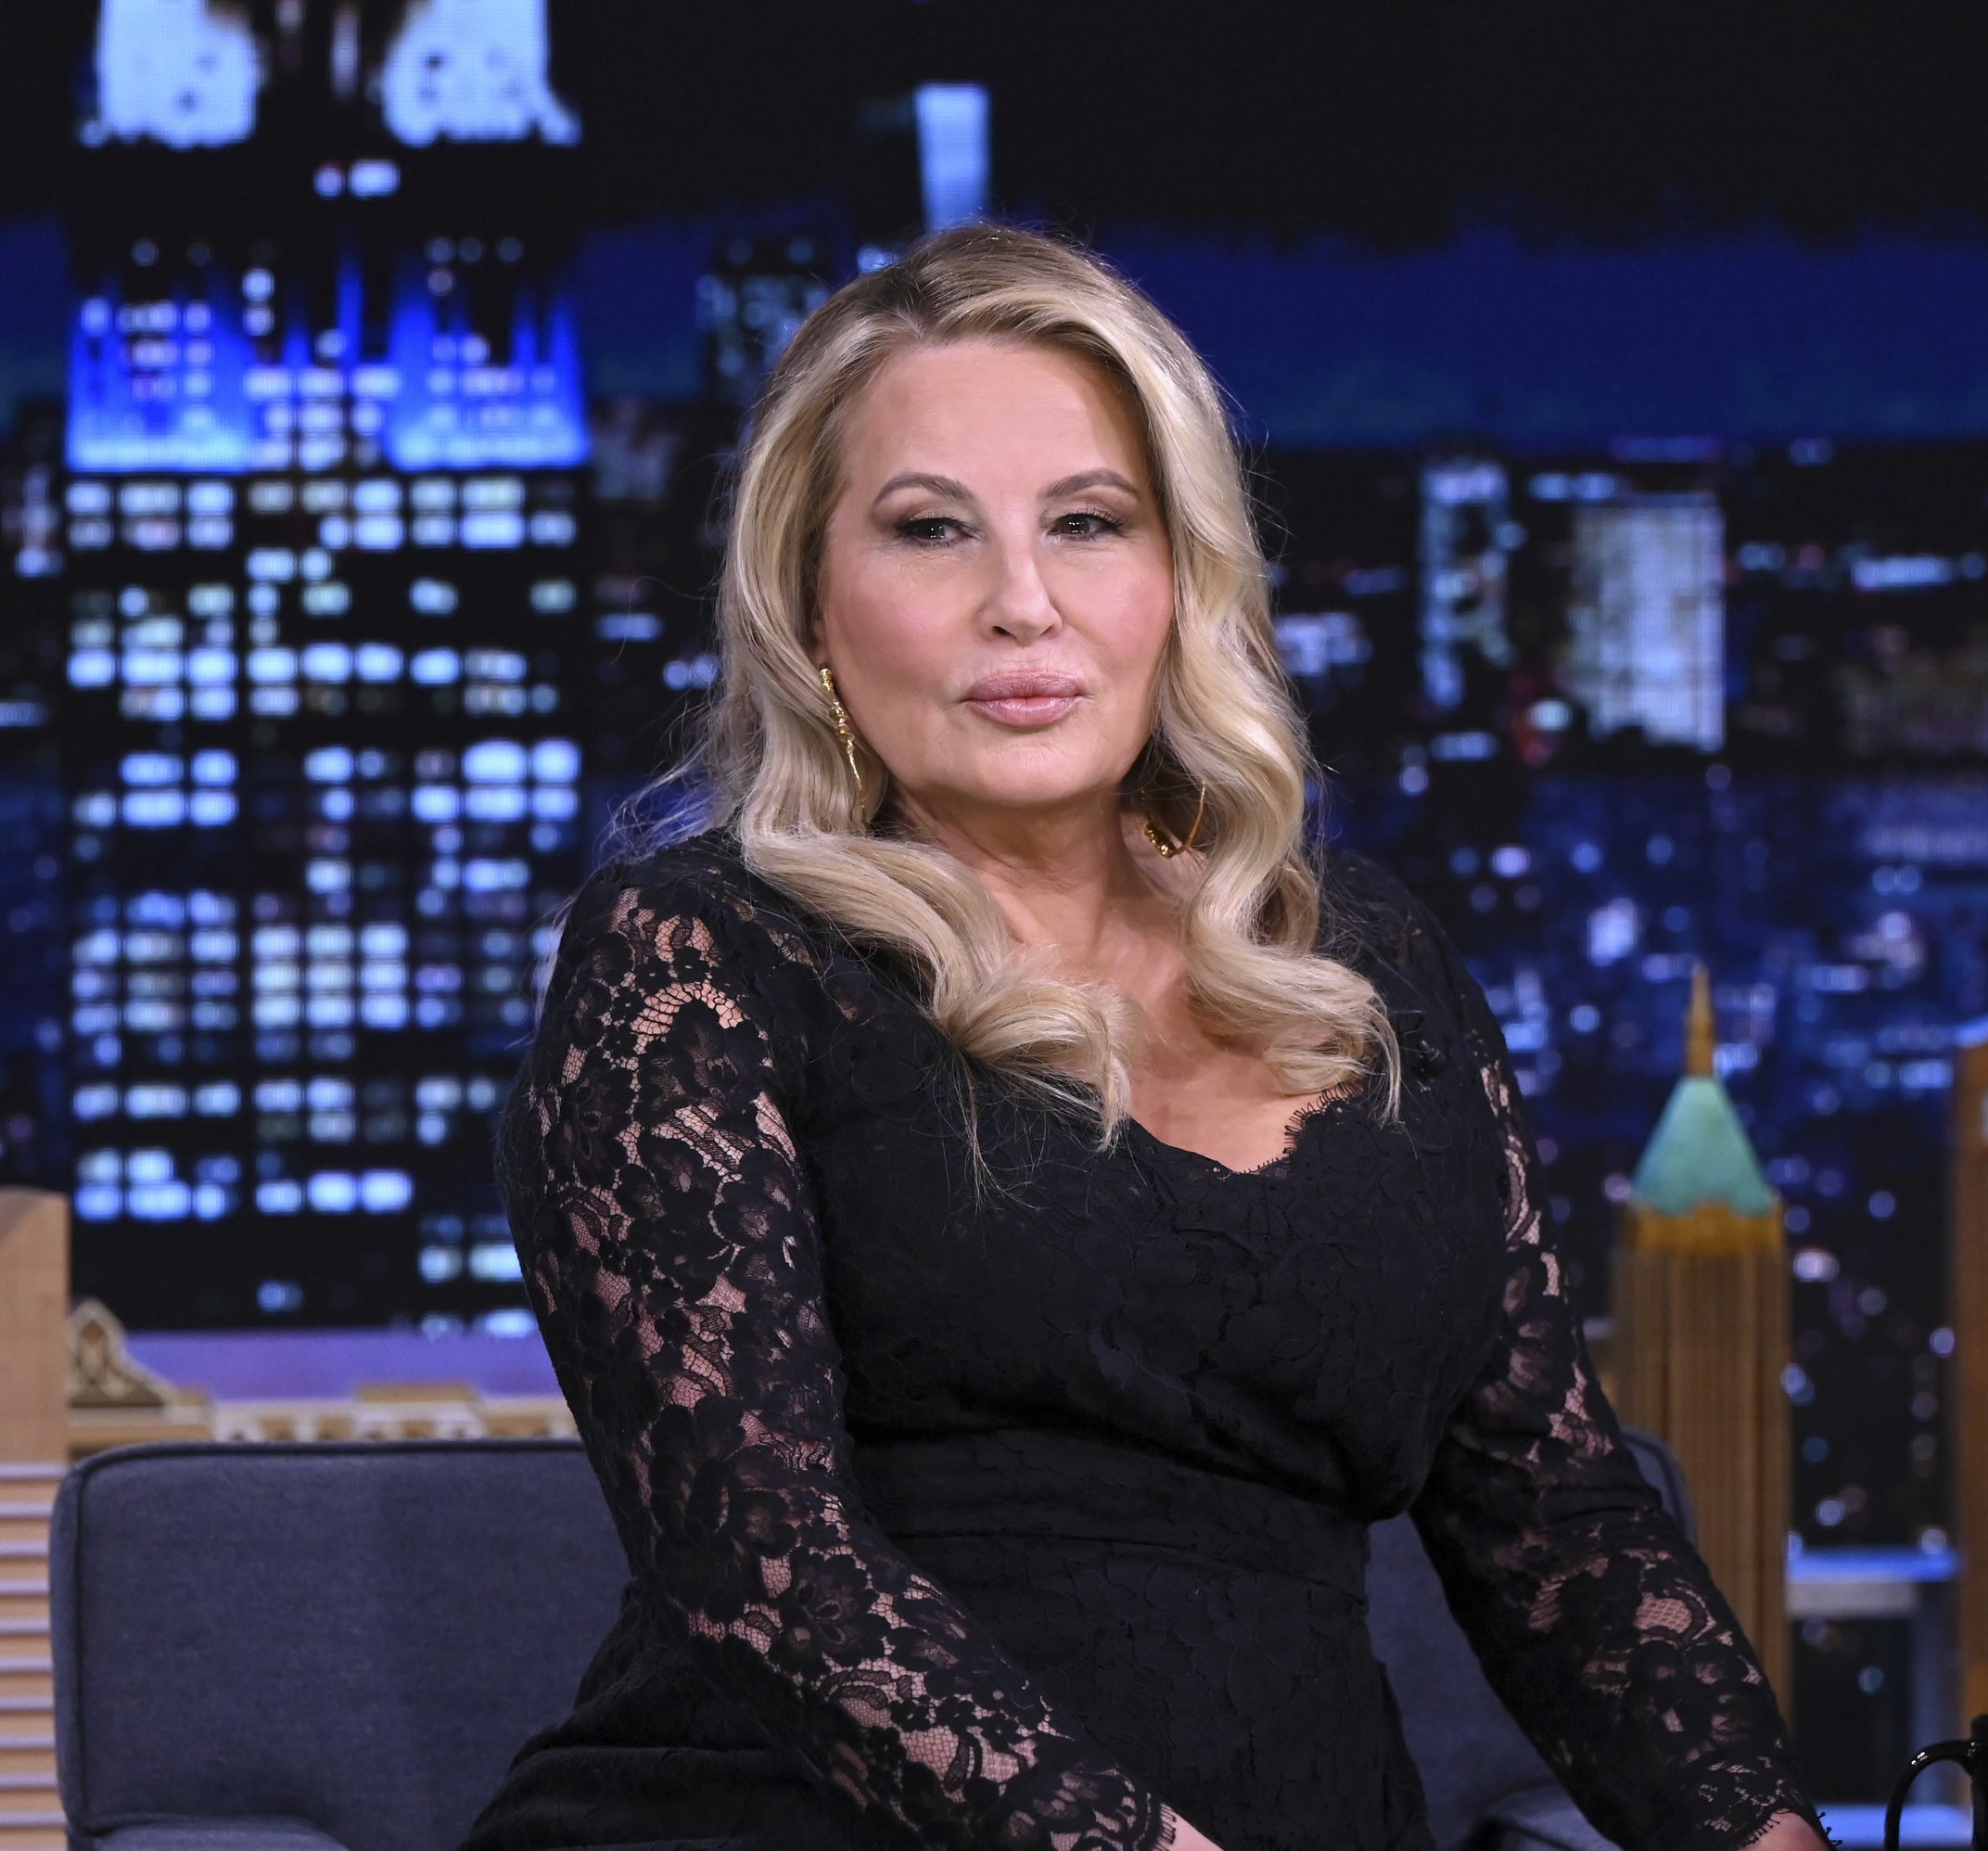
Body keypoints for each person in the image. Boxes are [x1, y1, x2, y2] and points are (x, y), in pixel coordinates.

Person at [461, 224, 1830, 1851]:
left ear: (1182, 578)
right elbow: (764, 1569)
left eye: (1089, 523)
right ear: (809, 606)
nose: (1022, 605)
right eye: (930, 531)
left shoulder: (1365, 963)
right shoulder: (697, 959)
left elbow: (1558, 1523)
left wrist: (1771, 1839)